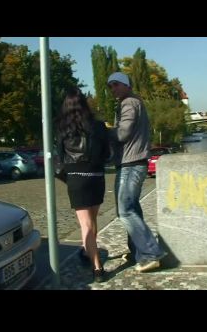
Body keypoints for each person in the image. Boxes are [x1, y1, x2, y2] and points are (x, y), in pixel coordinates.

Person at [107, 72, 167, 273]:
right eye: (110, 86)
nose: (112, 89)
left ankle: (151, 253)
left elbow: (123, 133)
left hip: (131, 163)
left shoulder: (129, 103)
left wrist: (102, 130)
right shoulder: (133, 102)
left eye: (115, 84)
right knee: (133, 209)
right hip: (133, 162)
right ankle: (138, 253)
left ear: (126, 84)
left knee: (125, 211)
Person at [55, 87, 110, 283]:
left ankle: (97, 268)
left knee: (85, 225)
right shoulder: (99, 126)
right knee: (93, 222)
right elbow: (107, 154)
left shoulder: (62, 129)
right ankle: (88, 253)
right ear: (85, 104)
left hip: (76, 178)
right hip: (96, 177)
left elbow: (60, 158)